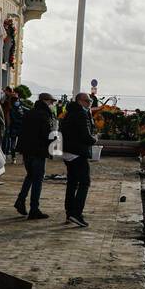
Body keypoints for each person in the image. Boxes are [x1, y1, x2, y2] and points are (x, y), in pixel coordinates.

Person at [14, 92, 57, 220]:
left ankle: (20, 200)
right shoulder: (44, 115)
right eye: (51, 102)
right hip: (38, 151)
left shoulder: (30, 112)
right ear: (45, 101)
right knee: (38, 179)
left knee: (30, 176)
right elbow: (46, 134)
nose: (52, 104)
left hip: (26, 150)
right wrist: (54, 138)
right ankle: (34, 208)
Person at [61, 91, 95, 227]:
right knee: (85, 182)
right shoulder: (81, 114)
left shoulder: (69, 112)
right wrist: (94, 139)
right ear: (80, 101)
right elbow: (85, 135)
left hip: (67, 152)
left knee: (72, 183)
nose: (89, 104)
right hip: (78, 152)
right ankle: (76, 213)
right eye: (88, 101)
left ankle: (69, 212)